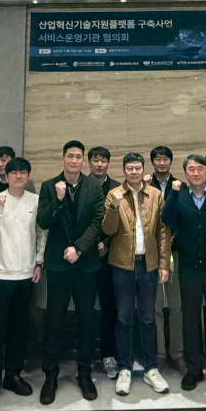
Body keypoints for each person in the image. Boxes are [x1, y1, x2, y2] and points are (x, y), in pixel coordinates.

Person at [36, 141, 105, 403]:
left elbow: (97, 222)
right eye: (70, 156)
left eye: (78, 157)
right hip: (58, 265)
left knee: (87, 319)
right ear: (63, 159)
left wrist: (78, 248)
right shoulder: (48, 186)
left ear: (83, 161)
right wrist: (58, 199)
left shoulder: (94, 186)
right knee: (54, 320)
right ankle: (50, 375)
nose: (74, 160)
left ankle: (84, 373)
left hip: (86, 263)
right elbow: (43, 221)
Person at [161, 155, 206, 394]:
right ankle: (193, 368)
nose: (195, 173)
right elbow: (166, 219)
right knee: (190, 318)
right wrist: (173, 193)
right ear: (185, 173)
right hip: (189, 267)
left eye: (200, 169)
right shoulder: (180, 196)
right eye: (191, 169)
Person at [0, 157, 46, 411]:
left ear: (28, 176)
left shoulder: (35, 201)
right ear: (5, 177)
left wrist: (38, 262)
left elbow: (41, 234)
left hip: (26, 274)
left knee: (19, 328)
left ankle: (13, 375)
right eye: (13, 172)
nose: (18, 176)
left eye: (23, 172)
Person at [102, 152, 172, 397]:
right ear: (124, 171)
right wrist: (113, 207)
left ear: (143, 170)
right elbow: (108, 229)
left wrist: (164, 264)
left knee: (148, 318)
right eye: (129, 168)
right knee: (123, 318)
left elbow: (163, 231)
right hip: (122, 265)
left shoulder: (155, 195)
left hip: (149, 265)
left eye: (137, 168)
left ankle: (151, 368)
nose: (134, 172)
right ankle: (125, 368)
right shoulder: (114, 194)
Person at [148, 146, 184, 373]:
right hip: (151, 251)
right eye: (158, 159)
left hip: (176, 250)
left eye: (165, 159)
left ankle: (178, 353)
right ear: (152, 162)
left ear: (171, 162)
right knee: (155, 307)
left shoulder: (181, 185)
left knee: (177, 305)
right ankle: (159, 353)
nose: (161, 163)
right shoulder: (144, 184)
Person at [88, 146, 121, 380]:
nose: (99, 164)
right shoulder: (80, 185)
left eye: (103, 160)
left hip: (110, 257)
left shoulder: (118, 188)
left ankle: (108, 354)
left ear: (108, 163)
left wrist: (106, 244)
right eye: (95, 160)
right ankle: (87, 354)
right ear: (89, 163)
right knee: (86, 307)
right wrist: (89, 245)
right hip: (85, 256)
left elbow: (124, 222)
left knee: (110, 307)